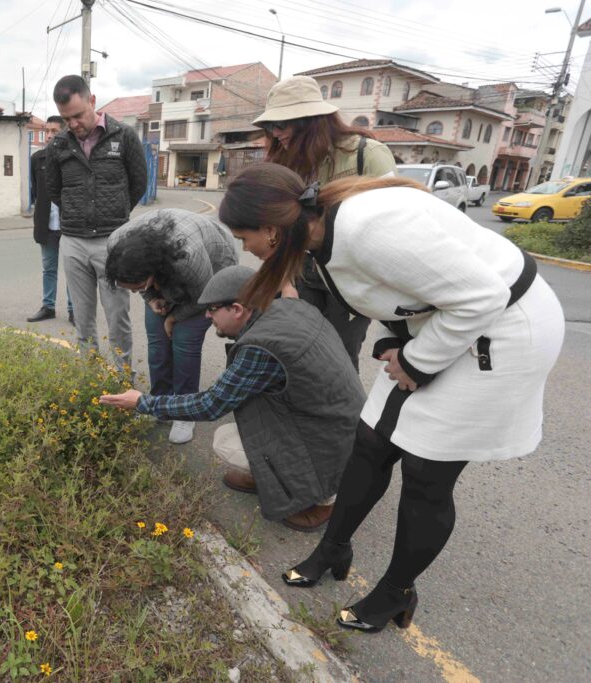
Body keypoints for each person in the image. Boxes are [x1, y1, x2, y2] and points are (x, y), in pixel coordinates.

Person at [218, 164, 564, 632]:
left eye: (244, 238)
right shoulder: (320, 233)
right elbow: (395, 289)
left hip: (501, 332)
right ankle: (333, 549)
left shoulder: (366, 228)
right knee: (370, 443)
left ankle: (397, 592)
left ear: (272, 229)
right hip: (445, 324)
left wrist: (416, 361)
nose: (246, 249)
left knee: (426, 474)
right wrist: (394, 341)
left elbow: (483, 297)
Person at [99, 264, 365, 532]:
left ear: (237, 309)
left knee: (226, 440)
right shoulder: (288, 308)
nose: (207, 316)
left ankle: (324, 498)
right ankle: (271, 476)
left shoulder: (262, 346)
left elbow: (210, 405)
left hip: (334, 444)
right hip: (343, 424)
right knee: (250, 414)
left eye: (212, 309)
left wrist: (142, 402)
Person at [253, 75, 397, 369]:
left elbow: (396, 226)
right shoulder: (284, 163)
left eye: (281, 124)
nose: (276, 134)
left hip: (352, 277)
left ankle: (343, 401)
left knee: (339, 357)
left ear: (310, 120)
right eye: (270, 126)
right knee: (298, 350)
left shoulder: (367, 155)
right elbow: (278, 232)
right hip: (301, 271)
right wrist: (286, 284)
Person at [105, 209, 238, 444]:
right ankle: (158, 402)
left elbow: (203, 298)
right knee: (157, 342)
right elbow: (140, 286)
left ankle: (185, 412)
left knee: (184, 342)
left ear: (151, 273)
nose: (134, 292)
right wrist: (151, 298)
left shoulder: (188, 258)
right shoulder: (117, 245)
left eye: (137, 287)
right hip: (162, 266)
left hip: (209, 271)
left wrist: (173, 318)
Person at [45, 75, 147, 371]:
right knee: (82, 317)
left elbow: (138, 183)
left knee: (117, 316)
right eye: (66, 119)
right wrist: (76, 213)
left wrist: (114, 213)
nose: (73, 124)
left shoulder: (123, 136)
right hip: (73, 242)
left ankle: (122, 377)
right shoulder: (59, 145)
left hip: (112, 241)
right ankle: (89, 377)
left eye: (78, 115)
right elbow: (54, 190)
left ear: (92, 101)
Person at [27, 115, 73, 325]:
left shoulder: (73, 157)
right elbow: (36, 191)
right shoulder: (37, 159)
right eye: (47, 131)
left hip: (70, 225)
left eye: (54, 131)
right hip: (47, 225)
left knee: (73, 270)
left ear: (64, 132)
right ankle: (48, 307)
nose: (49, 135)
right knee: (49, 268)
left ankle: (74, 310)